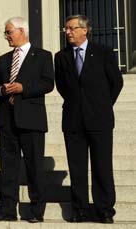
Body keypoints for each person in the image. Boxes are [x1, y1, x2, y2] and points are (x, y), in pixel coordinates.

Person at [54, 14, 123, 224]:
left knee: (102, 165)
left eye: (72, 28)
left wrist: (101, 105)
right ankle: (80, 209)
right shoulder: (61, 56)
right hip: (73, 120)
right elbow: (63, 86)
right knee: (77, 167)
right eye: (66, 28)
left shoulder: (103, 52)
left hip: (99, 119)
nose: (68, 32)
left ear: (85, 30)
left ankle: (104, 209)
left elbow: (116, 82)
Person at [0, 16, 54, 223]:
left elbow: (47, 83)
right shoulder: (3, 59)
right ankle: (7, 210)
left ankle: (36, 211)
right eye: (6, 32)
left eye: (9, 32)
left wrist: (23, 88)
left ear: (21, 31)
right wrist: (2, 89)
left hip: (31, 119)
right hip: (7, 120)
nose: (6, 36)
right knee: (8, 168)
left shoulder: (43, 56)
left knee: (34, 166)